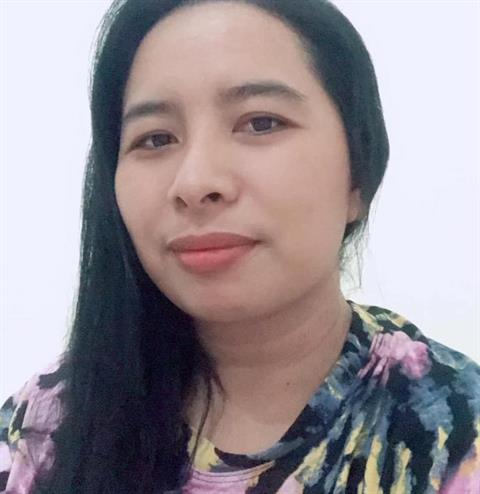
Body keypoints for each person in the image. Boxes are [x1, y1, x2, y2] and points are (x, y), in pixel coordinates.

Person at [1, 0, 479, 492]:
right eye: (156, 138)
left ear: (358, 173)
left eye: (261, 123)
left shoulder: (454, 436)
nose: (195, 182)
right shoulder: (45, 426)